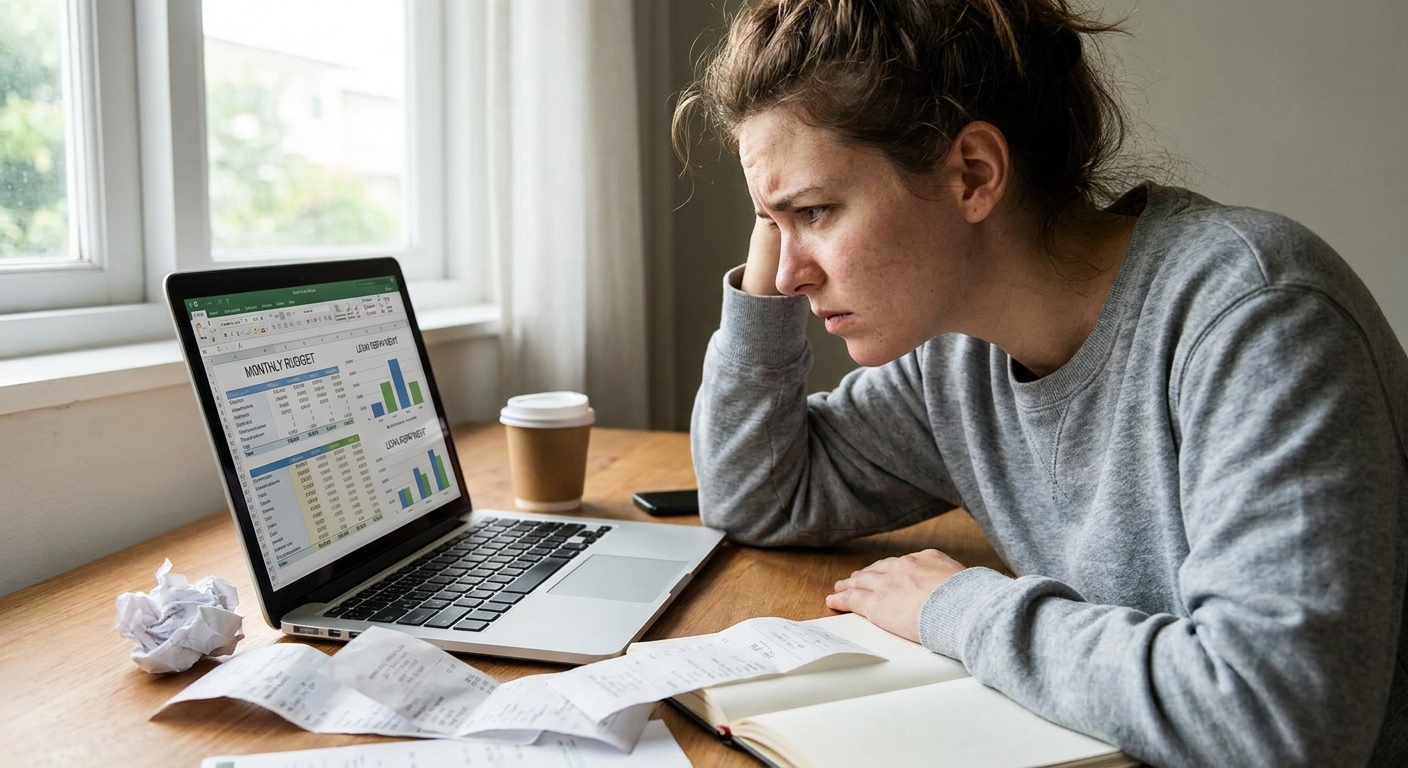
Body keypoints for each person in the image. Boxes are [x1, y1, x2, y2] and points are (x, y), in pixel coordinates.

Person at [674, 0, 1408, 765]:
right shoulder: (960, 357)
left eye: (816, 211)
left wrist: (958, 608)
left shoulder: (1259, 319)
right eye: (771, 224)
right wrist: (763, 281)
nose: (789, 275)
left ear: (973, 173)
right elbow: (759, 492)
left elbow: (1279, 721)